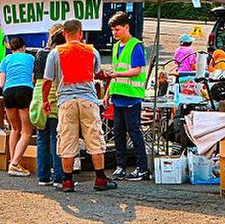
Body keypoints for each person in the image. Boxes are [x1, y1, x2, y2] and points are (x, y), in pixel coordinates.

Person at [43, 19, 117, 192]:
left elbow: (47, 81)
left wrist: (45, 100)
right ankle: (100, 179)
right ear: (80, 33)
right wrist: (106, 76)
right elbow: (98, 73)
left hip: (66, 102)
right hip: (88, 101)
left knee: (67, 140)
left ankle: (67, 182)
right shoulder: (92, 51)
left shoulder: (55, 53)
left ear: (63, 34)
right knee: (95, 139)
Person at [103, 11, 150, 181]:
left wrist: (116, 76)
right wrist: (108, 93)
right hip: (118, 96)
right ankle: (120, 165)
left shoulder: (135, 45)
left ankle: (142, 167)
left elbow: (136, 70)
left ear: (126, 27)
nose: (114, 33)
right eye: (113, 31)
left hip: (131, 97)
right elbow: (116, 71)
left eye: (117, 30)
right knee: (118, 132)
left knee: (134, 132)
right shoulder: (116, 47)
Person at [30, 24, 65, 188]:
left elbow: (33, 78)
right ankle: (59, 177)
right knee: (56, 139)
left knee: (42, 139)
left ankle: (43, 176)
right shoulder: (59, 55)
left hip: (37, 99)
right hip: (52, 100)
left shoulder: (39, 53)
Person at [0, 37, 35, 177]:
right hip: (25, 90)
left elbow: (1, 83)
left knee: (14, 128)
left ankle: (13, 162)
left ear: (11, 48)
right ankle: (14, 164)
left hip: (8, 92)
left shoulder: (6, 60)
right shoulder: (30, 58)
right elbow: (32, 79)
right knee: (26, 131)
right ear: (24, 47)